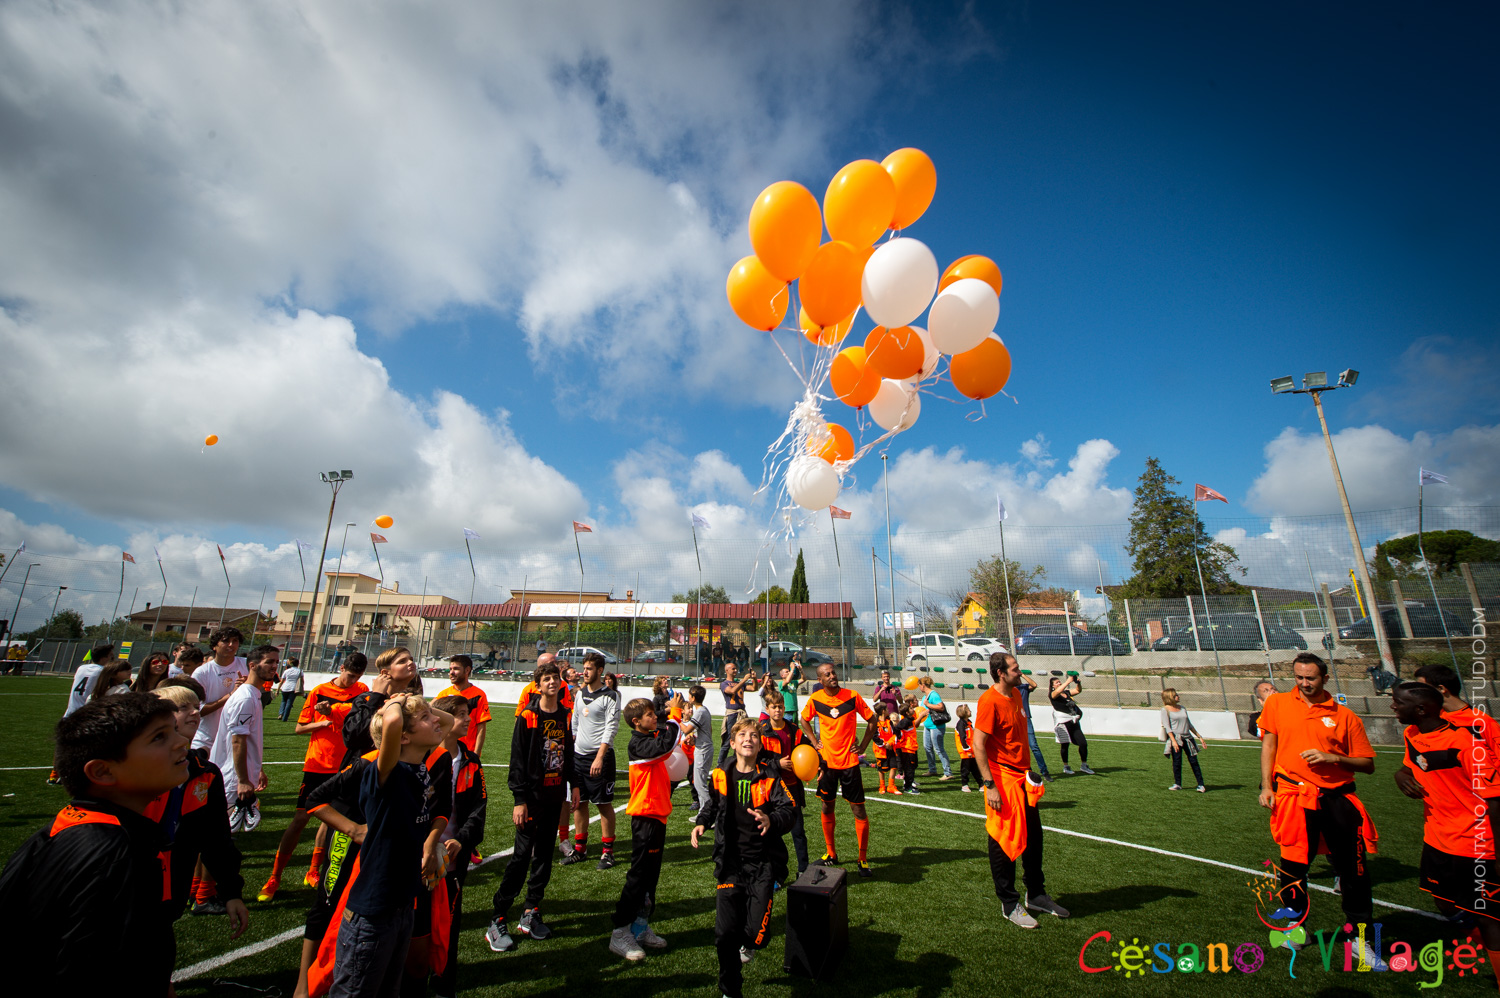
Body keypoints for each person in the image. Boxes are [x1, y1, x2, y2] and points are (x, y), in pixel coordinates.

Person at [0, 693, 190, 994]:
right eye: (159, 738)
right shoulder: (117, 853)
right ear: (102, 771)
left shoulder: (69, 825)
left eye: (175, 731)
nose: (181, 742)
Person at [1257, 652, 1379, 960]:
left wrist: (1333, 758)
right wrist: (1267, 786)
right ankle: (1297, 932)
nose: (1304, 683)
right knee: (1293, 869)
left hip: (1338, 799)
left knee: (1354, 871)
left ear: (1325, 678)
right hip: (1293, 798)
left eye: (1310, 678)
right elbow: (1269, 744)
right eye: (1299, 677)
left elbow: (1367, 764)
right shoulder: (1277, 703)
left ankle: (1360, 940)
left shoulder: (1344, 715)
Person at [329, 693, 450, 998]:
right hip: (373, 912)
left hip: (400, 907)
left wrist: (420, 708)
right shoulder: (386, 771)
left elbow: (447, 720)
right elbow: (394, 722)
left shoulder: (418, 765)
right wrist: (397, 702)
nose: (435, 720)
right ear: (404, 737)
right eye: (425, 719)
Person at [1389, 682, 1500, 972]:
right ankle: (1484, 946)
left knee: (1488, 915)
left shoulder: (1464, 743)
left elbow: (1495, 801)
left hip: (1475, 844)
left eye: (1398, 702)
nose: (1393, 706)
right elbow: (1412, 765)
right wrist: (1400, 775)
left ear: (1421, 709)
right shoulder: (1411, 734)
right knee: (1444, 902)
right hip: (1437, 838)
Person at [692, 717, 796, 998]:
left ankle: (749, 942)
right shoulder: (720, 774)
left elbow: (789, 810)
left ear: (760, 744)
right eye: (743, 735)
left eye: (754, 736)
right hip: (730, 865)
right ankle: (730, 991)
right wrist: (702, 821)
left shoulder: (770, 777)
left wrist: (770, 819)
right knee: (725, 935)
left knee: (754, 936)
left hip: (762, 865)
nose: (748, 739)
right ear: (734, 742)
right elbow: (712, 804)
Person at [970, 652, 1070, 929]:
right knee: (1004, 841)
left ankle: (1036, 894)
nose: (1019, 671)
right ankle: (1009, 902)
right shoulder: (989, 701)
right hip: (1002, 779)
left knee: (1034, 839)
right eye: (1015, 668)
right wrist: (990, 786)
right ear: (1001, 673)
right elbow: (978, 745)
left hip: (1024, 779)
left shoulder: (1015, 695)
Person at [260, 653, 370, 902]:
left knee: (330, 821)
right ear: (341, 668)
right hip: (318, 764)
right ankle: (275, 876)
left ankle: (313, 871)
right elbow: (300, 727)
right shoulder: (319, 690)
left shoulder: (361, 690)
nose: (353, 680)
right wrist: (323, 722)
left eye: (358, 676)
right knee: (300, 819)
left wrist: (335, 714)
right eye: (350, 674)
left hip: (345, 766)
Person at [151, 681, 249, 941]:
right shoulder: (138, 768)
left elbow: (217, 838)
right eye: (183, 708)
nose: (195, 712)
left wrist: (231, 892)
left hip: (175, 887)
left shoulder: (205, 772)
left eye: (196, 706)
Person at [487, 659, 573, 951]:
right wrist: (519, 799)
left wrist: (570, 789)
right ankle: (498, 916)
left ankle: (531, 910)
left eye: (555, 678)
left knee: (544, 857)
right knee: (521, 856)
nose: (552, 682)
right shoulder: (528, 715)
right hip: (531, 799)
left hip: (554, 796)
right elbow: (517, 760)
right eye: (546, 678)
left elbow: (568, 755)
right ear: (538, 685)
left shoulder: (565, 715)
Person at [608, 692, 696, 962]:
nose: (654, 717)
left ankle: (641, 927)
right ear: (637, 722)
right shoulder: (638, 744)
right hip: (645, 817)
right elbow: (667, 746)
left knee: (650, 879)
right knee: (638, 876)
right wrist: (675, 714)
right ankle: (619, 931)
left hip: (658, 815)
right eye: (649, 715)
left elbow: (670, 745)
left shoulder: (649, 738)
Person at [428, 695, 488, 998]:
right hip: (418, 860)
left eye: (468, 714)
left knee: (448, 928)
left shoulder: (471, 762)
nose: (468, 720)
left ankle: (443, 984)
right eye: (462, 715)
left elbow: (479, 809)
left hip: (453, 863)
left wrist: (461, 840)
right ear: (443, 719)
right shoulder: (421, 758)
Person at [799, 662, 876, 877]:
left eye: (833, 672)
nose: (833, 676)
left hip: (850, 763)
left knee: (858, 809)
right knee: (826, 806)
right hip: (827, 763)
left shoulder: (852, 696)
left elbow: (873, 720)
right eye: (827, 674)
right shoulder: (815, 699)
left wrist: (863, 746)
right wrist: (815, 742)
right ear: (820, 680)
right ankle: (831, 853)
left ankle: (862, 859)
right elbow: (803, 720)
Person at [211, 644, 279, 836]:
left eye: (276, 662)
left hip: (238, 775)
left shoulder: (253, 695)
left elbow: (248, 739)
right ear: (253, 665)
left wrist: (258, 769)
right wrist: (241, 780)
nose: (274, 666)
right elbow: (237, 741)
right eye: (269, 662)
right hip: (232, 778)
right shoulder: (246, 698)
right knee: (218, 840)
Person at [566, 651, 621, 869]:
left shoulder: (611, 696)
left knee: (603, 804)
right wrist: (572, 752)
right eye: (584, 668)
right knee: (579, 803)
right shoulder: (579, 694)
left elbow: (611, 728)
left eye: (589, 669)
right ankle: (580, 848)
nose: (584, 672)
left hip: (601, 758)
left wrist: (599, 757)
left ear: (599, 671)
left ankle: (608, 852)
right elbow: (575, 723)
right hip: (578, 757)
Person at [342, 647, 423, 765]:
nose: (410, 663)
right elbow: (351, 738)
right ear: (385, 673)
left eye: (411, 659)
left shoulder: (412, 702)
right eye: (402, 661)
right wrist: (377, 696)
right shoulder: (366, 699)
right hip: (364, 770)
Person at [758, 690, 809, 875]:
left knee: (798, 831)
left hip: (792, 786)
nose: (777, 711)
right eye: (773, 707)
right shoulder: (761, 731)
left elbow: (807, 750)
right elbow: (757, 761)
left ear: (784, 708)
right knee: (771, 833)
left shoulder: (793, 729)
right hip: (770, 789)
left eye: (780, 707)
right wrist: (777, 764)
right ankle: (776, 872)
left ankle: (804, 869)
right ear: (767, 709)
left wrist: (818, 763)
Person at [194, 626, 249, 754]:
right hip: (206, 738)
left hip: (233, 737)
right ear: (214, 646)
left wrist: (249, 685)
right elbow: (198, 711)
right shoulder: (202, 672)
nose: (231, 645)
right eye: (225, 641)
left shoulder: (247, 665)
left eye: (235, 641)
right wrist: (231, 695)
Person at [435, 655, 493, 756]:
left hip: (467, 752)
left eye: (456, 669)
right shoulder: (443, 695)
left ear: (467, 670)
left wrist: (476, 753)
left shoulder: (478, 695)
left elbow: (481, 727)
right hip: (445, 753)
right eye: (450, 669)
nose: (451, 672)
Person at [1160, 688, 1207, 792]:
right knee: (1177, 761)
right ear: (1170, 697)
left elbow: (1189, 724)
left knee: (1194, 761)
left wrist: (1199, 737)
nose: (1178, 696)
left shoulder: (1182, 708)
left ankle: (1200, 784)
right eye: (1176, 695)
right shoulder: (1165, 710)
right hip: (1176, 738)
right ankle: (1177, 783)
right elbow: (1168, 727)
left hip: (1188, 738)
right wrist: (1173, 741)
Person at [1049, 674, 1093, 775]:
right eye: (1057, 683)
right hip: (1063, 723)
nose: (1059, 683)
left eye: (1059, 681)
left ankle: (1084, 765)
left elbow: (1078, 690)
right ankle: (1066, 766)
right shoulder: (1053, 694)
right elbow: (1057, 692)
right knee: (1065, 745)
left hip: (1073, 722)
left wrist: (1078, 683)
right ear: (1052, 686)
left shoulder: (1066, 693)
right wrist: (1068, 681)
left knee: (1083, 743)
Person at [1018, 671, 1053, 781]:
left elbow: (1034, 685)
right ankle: (1026, 770)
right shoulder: (1009, 688)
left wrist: (1022, 675)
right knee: (1019, 748)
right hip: (1015, 720)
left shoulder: (1023, 687)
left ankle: (1044, 771)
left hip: (1026, 718)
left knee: (1034, 746)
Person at [918, 676, 952, 780]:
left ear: (923, 685)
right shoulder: (925, 696)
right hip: (928, 725)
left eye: (919, 685)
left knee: (938, 748)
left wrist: (928, 704)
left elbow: (940, 706)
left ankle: (948, 772)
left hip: (936, 726)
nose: (919, 688)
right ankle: (932, 769)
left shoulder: (933, 695)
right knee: (927, 747)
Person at [686, 685, 714, 814]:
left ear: (693, 697)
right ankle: (703, 813)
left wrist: (674, 718)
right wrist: (695, 740)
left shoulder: (700, 712)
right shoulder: (705, 710)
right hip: (703, 747)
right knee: (699, 782)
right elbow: (709, 730)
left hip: (703, 750)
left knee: (699, 784)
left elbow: (686, 729)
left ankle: (710, 812)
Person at [894, 696, 921, 794]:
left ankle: (908, 783)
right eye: (910, 708)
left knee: (913, 766)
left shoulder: (910, 720)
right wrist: (900, 738)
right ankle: (908, 787)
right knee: (909, 768)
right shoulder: (905, 721)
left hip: (912, 747)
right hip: (907, 748)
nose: (912, 709)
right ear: (906, 712)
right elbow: (896, 728)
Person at [872, 703, 899, 795]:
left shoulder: (889, 722)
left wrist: (890, 743)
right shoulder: (875, 723)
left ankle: (891, 786)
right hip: (880, 750)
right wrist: (884, 744)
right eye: (887, 709)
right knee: (881, 769)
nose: (888, 710)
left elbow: (895, 734)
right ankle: (882, 786)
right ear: (883, 711)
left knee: (893, 766)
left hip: (890, 748)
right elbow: (875, 737)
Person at [955, 703, 981, 792]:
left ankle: (981, 784)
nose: (970, 711)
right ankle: (964, 784)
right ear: (964, 712)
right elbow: (962, 738)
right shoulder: (961, 724)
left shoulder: (968, 723)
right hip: (966, 751)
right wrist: (966, 749)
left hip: (971, 750)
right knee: (965, 769)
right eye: (968, 710)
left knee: (975, 769)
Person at [278, 655, 305, 721]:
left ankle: (281, 714)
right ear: (298, 664)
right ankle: (285, 718)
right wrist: (302, 688)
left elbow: (282, 681)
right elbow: (302, 681)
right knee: (289, 703)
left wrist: (278, 689)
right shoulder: (299, 671)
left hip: (285, 688)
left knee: (283, 701)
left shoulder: (287, 671)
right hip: (293, 688)